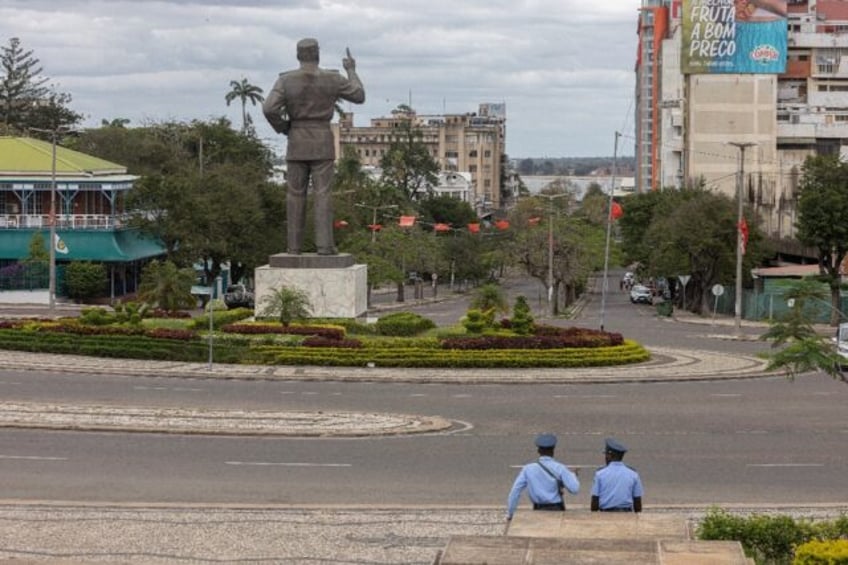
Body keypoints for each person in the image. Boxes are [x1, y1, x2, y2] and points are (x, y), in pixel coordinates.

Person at [262, 38, 365, 255]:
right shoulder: (332, 79)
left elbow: (269, 108)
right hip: (322, 140)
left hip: (297, 139)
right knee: (323, 193)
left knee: (294, 194)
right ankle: (325, 246)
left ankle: (293, 247)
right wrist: (351, 70)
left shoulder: (286, 81)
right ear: (317, 53)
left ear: (298, 55)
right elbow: (358, 95)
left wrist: (284, 127)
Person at [506, 433, 580, 521]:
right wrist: (573, 475)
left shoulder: (528, 469)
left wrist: (510, 513)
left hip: (538, 509)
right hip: (557, 509)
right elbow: (574, 489)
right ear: (553, 450)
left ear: (538, 451)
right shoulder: (560, 468)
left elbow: (515, 491)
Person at [590, 438, 643, 513]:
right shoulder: (633, 474)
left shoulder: (600, 474)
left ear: (609, 456)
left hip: (605, 514)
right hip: (626, 514)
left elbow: (594, 503)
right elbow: (637, 504)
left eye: (606, 455)